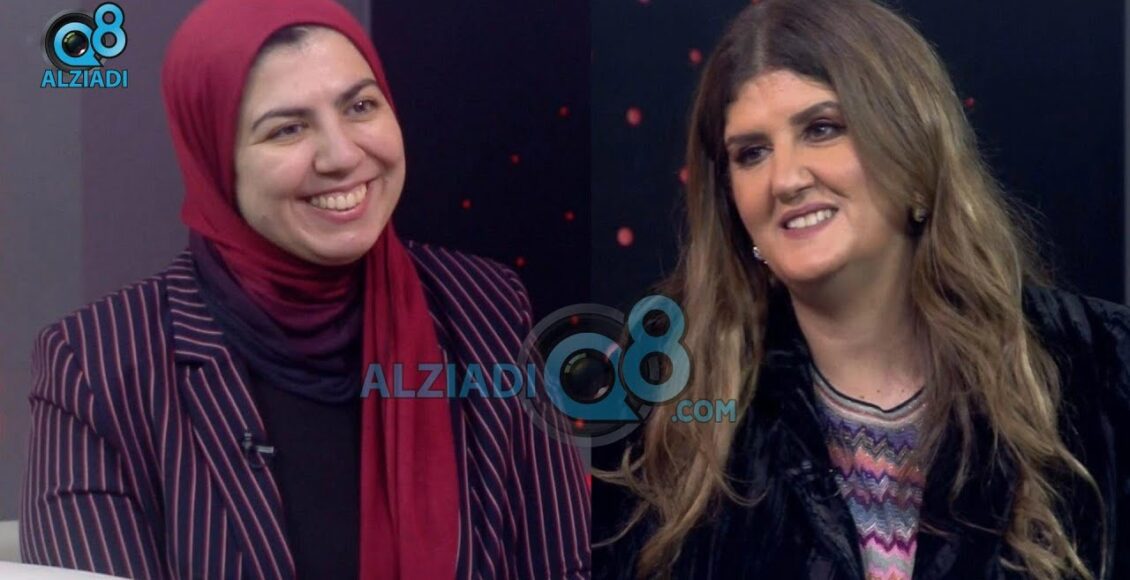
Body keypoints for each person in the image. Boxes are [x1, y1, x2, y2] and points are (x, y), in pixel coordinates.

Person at [19, 0, 590, 578]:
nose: (342, 156)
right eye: (288, 129)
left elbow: (559, 566)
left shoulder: (487, 308)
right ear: (214, 158)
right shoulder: (96, 365)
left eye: (360, 106)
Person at [591, 0, 1130, 578]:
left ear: (913, 147)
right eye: (752, 153)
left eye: (822, 129)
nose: (785, 180)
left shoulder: (1101, 364)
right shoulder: (658, 403)